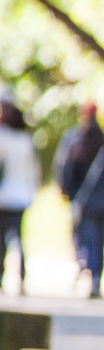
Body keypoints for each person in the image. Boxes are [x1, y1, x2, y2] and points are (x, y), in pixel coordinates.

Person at [0, 93, 38, 293]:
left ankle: (0, 277)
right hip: (21, 195)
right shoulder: (26, 140)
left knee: (0, 238)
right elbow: (33, 170)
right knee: (18, 237)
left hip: (2, 196)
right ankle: (21, 277)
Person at [57, 102, 104, 297]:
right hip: (98, 200)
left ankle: (86, 268)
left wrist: (67, 192)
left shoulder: (75, 140)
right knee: (97, 240)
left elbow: (66, 169)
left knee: (86, 237)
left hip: (84, 199)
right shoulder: (99, 139)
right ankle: (94, 275)